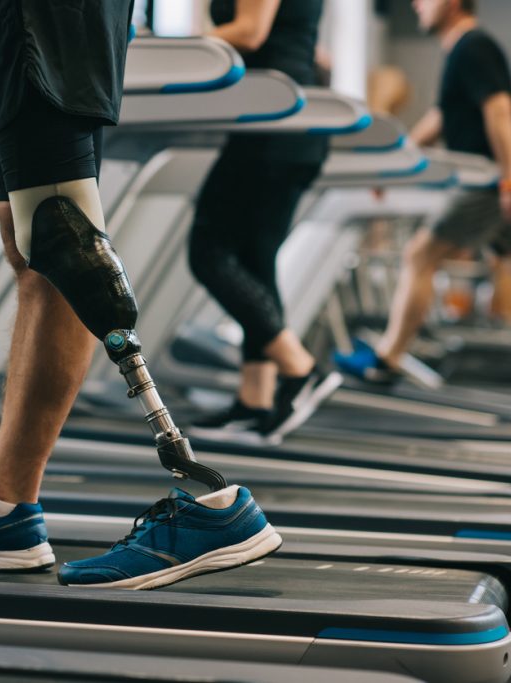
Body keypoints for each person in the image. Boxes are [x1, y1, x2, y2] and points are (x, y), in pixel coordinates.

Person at [0, 0, 281, 590]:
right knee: (31, 241)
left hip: (40, 21)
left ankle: (215, 503)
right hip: (19, 25)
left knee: (58, 230)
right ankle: (0, 508)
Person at [336, 0, 511, 383]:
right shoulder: (461, 49)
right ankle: (387, 359)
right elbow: (441, 116)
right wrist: (393, 160)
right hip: (490, 180)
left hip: (486, 181)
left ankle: (387, 361)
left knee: (419, 256)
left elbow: (500, 109)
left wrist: (509, 179)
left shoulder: (473, 45)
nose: (416, 5)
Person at [187, 0, 342, 442]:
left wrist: (162, 48)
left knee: (208, 252)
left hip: (272, 123)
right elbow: (317, 55)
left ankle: (300, 369)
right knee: (256, 262)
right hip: (287, 122)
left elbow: (252, 32)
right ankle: (255, 398)